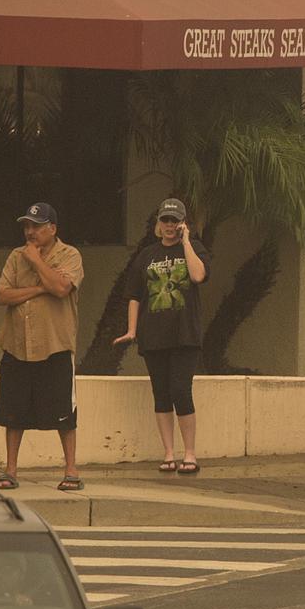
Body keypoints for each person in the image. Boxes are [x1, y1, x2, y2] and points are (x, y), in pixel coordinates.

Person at [0, 203, 84, 492]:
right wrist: (38, 287)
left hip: (54, 344)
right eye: (27, 226)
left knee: (64, 414)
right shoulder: (15, 256)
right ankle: (10, 470)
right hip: (17, 344)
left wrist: (36, 262)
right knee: (13, 411)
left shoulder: (70, 255)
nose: (30, 231)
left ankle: (71, 470)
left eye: (36, 226)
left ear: (52, 229)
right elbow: (3, 295)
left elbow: (61, 288)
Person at [116, 199, 207, 475]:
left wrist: (187, 242)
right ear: (159, 223)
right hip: (153, 335)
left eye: (174, 221)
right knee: (162, 393)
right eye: (165, 220)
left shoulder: (193, 248)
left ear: (182, 223)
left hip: (184, 335)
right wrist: (132, 330)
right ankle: (168, 453)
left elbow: (198, 275)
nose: (169, 226)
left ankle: (189, 453)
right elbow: (134, 295)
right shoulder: (146, 255)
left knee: (181, 389)